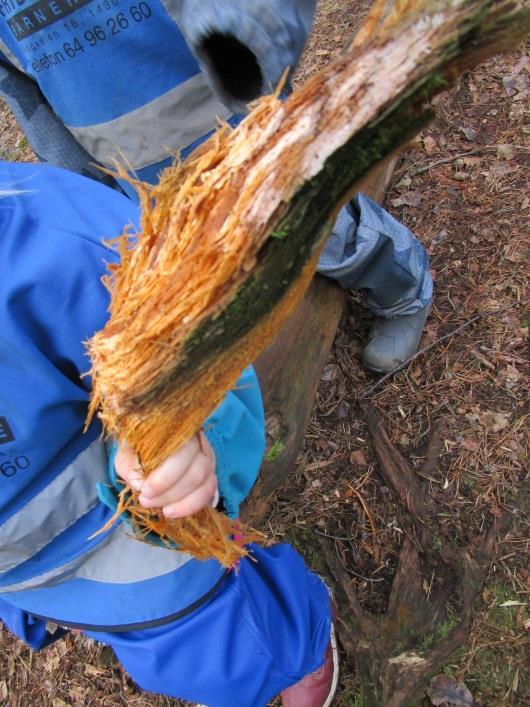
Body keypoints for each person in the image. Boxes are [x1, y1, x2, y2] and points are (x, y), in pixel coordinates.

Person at [0, 158, 338, 706]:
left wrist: (182, 434)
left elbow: (200, 351)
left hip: (133, 526)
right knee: (122, 624)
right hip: (24, 572)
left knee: (230, 649)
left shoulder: (59, 247)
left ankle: (296, 639)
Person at [0, 0, 432, 373]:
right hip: (137, 171)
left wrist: (240, 50)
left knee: (324, 227)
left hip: (235, 122)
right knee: (213, 258)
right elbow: (27, 95)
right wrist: (85, 186)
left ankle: (404, 290)